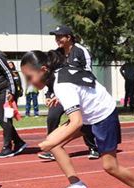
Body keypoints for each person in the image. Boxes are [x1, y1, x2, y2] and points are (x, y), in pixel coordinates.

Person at [20, 50, 134, 188]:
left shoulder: (61, 85)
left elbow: (76, 122)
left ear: (43, 69)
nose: (29, 82)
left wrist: (50, 144)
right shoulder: (59, 73)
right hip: (90, 113)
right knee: (53, 142)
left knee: (110, 166)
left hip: (103, 115)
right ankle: (77, 185)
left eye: (29, 77)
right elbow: (85, 82)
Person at [38, 25, 99, 161]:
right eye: (56, 37)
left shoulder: (81, 51)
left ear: (69, 37)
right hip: (62, 93)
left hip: (81, 92)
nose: (57, 39)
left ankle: (93, 147)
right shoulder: (56, 54)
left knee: (82, 120)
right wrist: (50, 94)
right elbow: (51, 76)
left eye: (60, 36)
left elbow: (87, 75)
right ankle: (52, 147)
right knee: (52, 116)